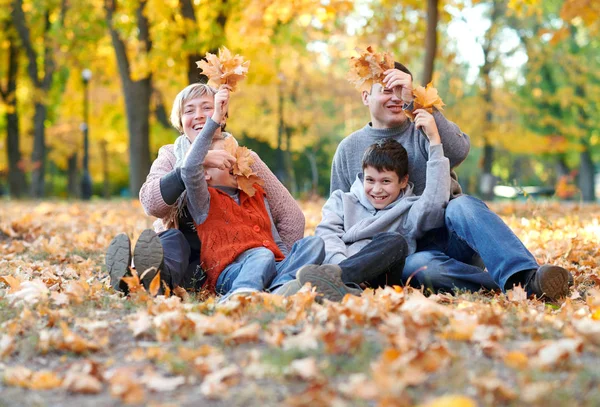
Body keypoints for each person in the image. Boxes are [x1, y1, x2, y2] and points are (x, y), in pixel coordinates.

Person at [330, 61, 571, 301]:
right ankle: (525, 286)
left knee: (462, 204)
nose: (395, 97)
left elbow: (459, 150)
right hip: (403, 254)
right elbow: (341, 214)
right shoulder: (348, 150)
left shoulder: (423, 126)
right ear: (365, 97)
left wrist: (418, 102)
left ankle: (527, 275)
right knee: (424, 266)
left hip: (452, 235)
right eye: (385, 90)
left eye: (400, 90)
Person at [106, 83, 305, 293]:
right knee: (172, 241)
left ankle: (143, 280)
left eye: (207, 108)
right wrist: (200, 161)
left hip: (234, 261)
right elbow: (151, 204)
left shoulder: (244, 159)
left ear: (222, 115)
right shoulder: (171, 155)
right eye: (189, 110)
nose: (199, 115)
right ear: (181, 122)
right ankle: (137, 279)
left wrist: (278, 267)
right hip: (185, 258)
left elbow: (292, 217)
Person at [178, 85, 325, 301]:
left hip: (273, 264)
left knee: (314, 244)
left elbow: (274, 238)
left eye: (236, 161)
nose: (236, 167)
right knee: (261, 255)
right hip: (231, 271)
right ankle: (240, 295)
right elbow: (189, 168)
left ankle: (281, 288)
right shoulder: (203, 201)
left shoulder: (254, 194)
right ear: (206, 175)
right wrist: (214, 119)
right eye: (226, 163)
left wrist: (287, 258)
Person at [302, 125, 447, 301]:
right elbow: (327, 235)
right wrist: (341, 264)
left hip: (380, 278)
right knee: (312, 243)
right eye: (370, 180)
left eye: (386, 181)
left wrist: (435, 143)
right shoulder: (341, 200)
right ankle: (341, 285)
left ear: (403, 181)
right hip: (338, 266)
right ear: (363, 176)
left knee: (396, 241)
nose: (377, 189)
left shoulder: (409, 208)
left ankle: (338, 280)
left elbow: (435, 201)